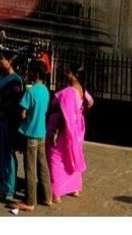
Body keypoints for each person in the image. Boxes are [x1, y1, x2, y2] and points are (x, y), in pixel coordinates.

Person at [12, 59, 54, 212]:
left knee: (30, 168)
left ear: (35, 73)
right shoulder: (45, 90)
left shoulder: (31, 92)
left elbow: (22, 113)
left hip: (30, 133)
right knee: (43, 166)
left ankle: (30, 201)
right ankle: (47, 196)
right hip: (42, 132)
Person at [48, 65, 93, 202]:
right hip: (77, 128)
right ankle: (75, 187)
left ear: (74, 75)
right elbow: (90, 102)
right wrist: (79, 112)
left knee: (56, 157)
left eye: (68, 72)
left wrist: (57, 131)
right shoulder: (82, 90)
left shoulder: (68, 92)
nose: (66, 74)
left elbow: (63, 114)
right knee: (73, 154)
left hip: (64, 129)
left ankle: (56, 191)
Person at [0, 50, 25, 203]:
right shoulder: (7, 77)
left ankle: (8, 188)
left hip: (8, 122)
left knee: (7, 155)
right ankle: (2, 181)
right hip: (0, 120)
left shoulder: (14, 80)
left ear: (10, 61)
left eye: (2, 59)